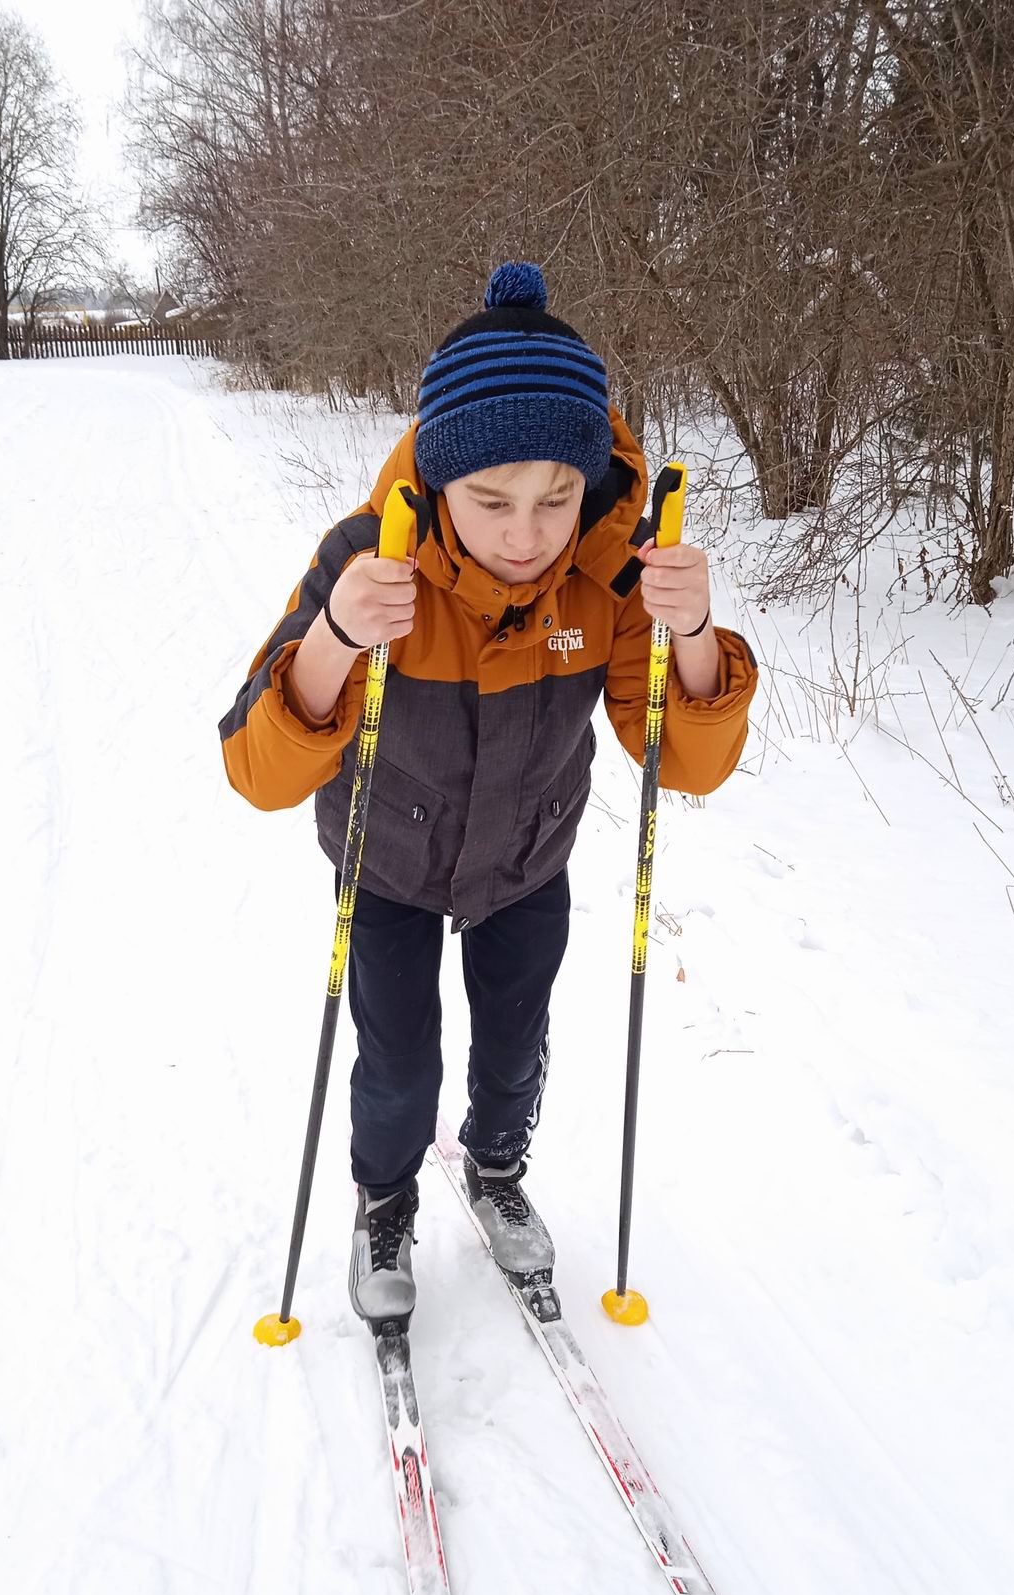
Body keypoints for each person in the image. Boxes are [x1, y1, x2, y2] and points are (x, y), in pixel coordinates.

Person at [219, 261, 758, 1330]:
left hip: (526, 860)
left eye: (556, 499)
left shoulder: (611, 573)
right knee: (398, 1062)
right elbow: (258, 772)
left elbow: (685, 762)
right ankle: (384, 1201)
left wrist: (692, 631)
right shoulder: (369, 559)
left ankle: (496, 1168)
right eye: (491, 502)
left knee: (513, 1048)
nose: (525, 534)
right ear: (437, 481)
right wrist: (335, 638)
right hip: (388, 861)